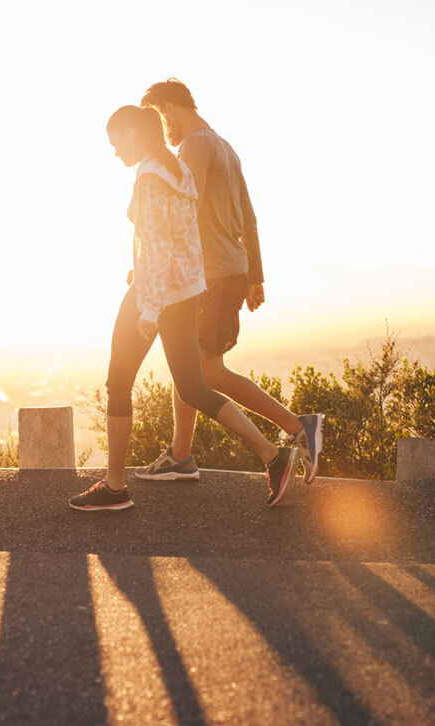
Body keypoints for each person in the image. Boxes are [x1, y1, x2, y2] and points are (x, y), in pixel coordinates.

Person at [69, 105, 298, 511]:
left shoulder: (150, 179)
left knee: (119, 385)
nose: (115, 152)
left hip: (152, 295)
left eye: (115, 142)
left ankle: (115, 488)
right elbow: (187, 240)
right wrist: (185, 290)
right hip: (186, 292)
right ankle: (272, 455)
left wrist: (149, 310)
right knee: (193, 385)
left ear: (132, 135)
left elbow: (157, 248)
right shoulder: (179, 173)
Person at [137, 78, 323, 484]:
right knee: (189, 368)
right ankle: (181, 455)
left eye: (156, 116)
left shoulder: (192, 148)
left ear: (168, 108)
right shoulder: (225, 146)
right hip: (228, 271)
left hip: (210, 275)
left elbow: (182, 215)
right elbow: (249, 218)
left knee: (207, 373)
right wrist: (254, 276)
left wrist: (152, 263)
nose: (159, 128)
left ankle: (297, 428)